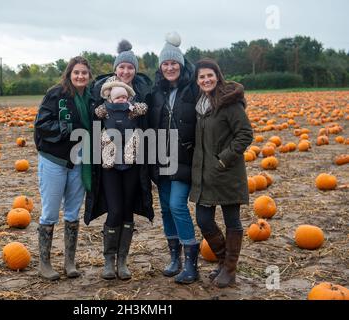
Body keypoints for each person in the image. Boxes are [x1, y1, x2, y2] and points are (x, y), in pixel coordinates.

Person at [85, 41, 154, 281]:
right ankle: (108, 260)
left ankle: (123, 261)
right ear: (116, 69)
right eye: (122, 67)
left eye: (130, 68)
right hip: (109, 164)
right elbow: (93, 120)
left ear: (135, 70)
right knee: (114, 210)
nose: (126, 72)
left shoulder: (140, 97)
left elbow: (148, 118)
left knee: (128, 211)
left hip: (135, 162)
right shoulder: (100, 95)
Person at [189, 58, 253, 288]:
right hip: (205, 175)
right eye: (201, 77)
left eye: (210, 75)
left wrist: (223, 159)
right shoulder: (200, 106)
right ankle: (223, 261)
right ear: (197, 81)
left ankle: (229, 268)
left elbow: (245, 134)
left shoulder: (230, 104)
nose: (206, 80)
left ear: (218, 76)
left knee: (232, 221)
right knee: (204, 220)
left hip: (227, 173)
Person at [34, 56, 94, 280]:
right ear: (69, 74)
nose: (80, 76)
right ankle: (45, 263)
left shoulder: (91, 97)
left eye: (84, 73)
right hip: (54, 160)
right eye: (76, 72)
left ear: (89, 76)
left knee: (72, 212)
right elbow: (41, 124)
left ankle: (70, 262)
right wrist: (66, 129)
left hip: (79, 161)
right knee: (50, 212)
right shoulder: (56, 94)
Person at [148, 32, 199, 284]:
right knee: (167, 208)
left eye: (174, 63)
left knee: (178, 205)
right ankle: (174, 258)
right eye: (165, 64)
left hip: (185, 158)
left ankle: (191, 261)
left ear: (181, 64)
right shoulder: (156, 92)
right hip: (161, 157)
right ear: (161, 67)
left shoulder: (194, 89)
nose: (170, 67)